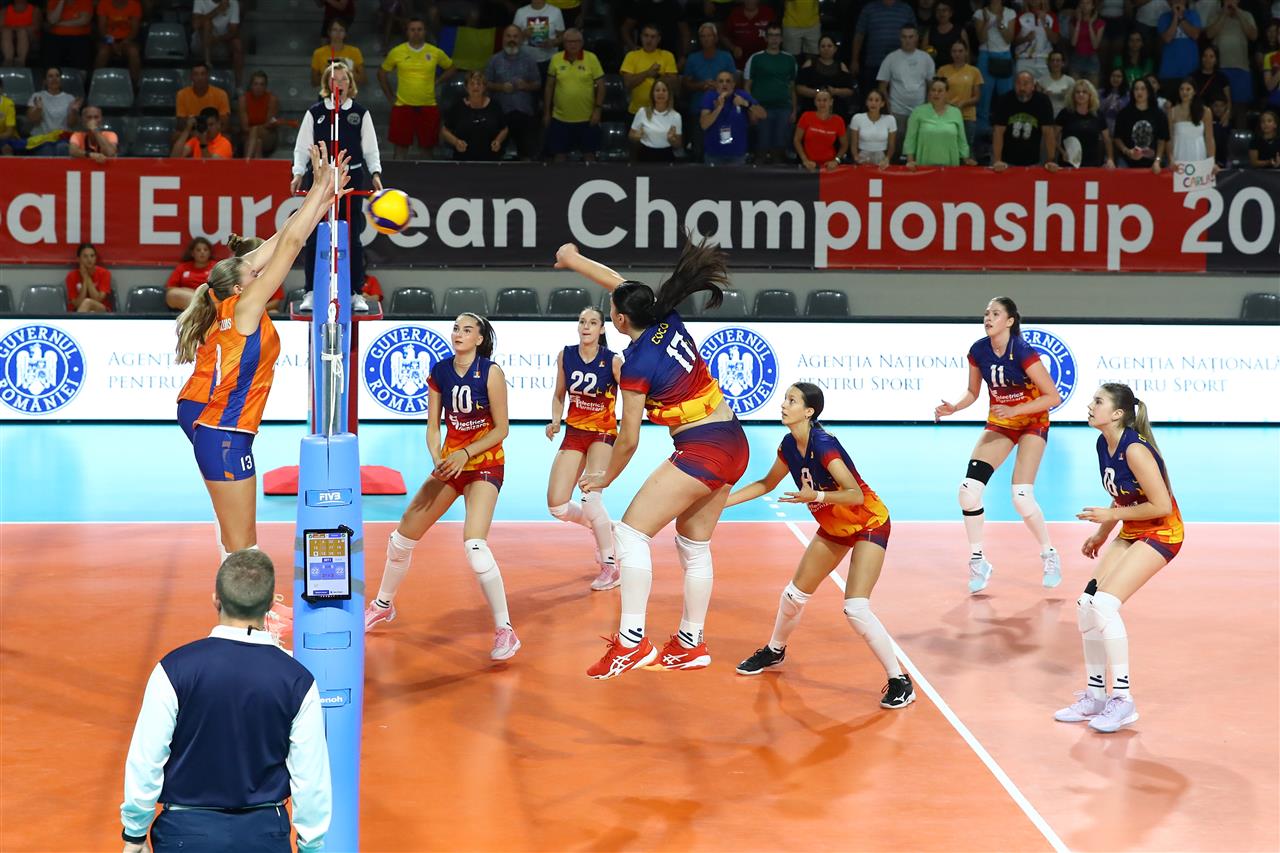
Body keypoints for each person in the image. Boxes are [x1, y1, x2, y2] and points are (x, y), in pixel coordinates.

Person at [554, 237, 749, 680]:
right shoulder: (665, 317)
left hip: (703, 448)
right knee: (693, 545)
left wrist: (603, 477)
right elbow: (619, 283)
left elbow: (628, 439)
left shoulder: (636, 365)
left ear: (620, 321)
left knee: (630, 533)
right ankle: (691, 644)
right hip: (734, 440)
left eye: (611, 309)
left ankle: (631, 643)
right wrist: (574, 260)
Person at [173, 146, 348, 566]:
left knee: (232, 531)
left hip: (204, 410)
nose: (260, 272)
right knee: (244, 545)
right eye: (254, 273)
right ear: (241, 288)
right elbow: (291, 244)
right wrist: (318, 186)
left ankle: (234, 586)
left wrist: (322, 198)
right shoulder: (246, 306)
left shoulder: (224, 294)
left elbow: (278, 240)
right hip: (223, 427)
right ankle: (244, 599)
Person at [120, 550, 331, 852]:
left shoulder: (173, 669)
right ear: (271, 604)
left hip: (184, 834)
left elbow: (147, 759)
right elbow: (311, 777)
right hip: (264, 835)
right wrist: (312, 846)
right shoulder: (298, 680)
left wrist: (135, 834)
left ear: (215, 599)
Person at [726, 383, 913, 709]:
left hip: (868, 522)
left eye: (792, 401)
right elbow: (766, 483)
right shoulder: (788, 444)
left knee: (856, 608)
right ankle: (775, 650)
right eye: (785, 399)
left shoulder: (824, 444)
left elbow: (854, 494)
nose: (784, 405)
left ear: (809, 411)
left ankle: (900, 680)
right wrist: (722, 504)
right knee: (793, 595)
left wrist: (816, 496)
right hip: (834, 527)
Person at [364, 313, 521, 662]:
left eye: (467, 330)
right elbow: (433, 427)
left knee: (475, 546)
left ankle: (505, 629)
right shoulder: (440, 371)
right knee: (401, 538)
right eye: (456, 328)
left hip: (484, 464)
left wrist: (466, 453)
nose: (458, 334)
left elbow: (502, 429)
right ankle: (383, 605)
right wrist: (438, 457)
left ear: (480, 338)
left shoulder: (490, 372)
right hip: (451, 465)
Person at [1054, 384, 1184, 733]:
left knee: (1104, 605)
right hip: (1133, 530)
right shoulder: (1104, 443)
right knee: (1086, 605)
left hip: (1162, 532)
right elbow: (1123, 495)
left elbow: (1161, 505)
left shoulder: (1135, 450)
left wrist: (1110, 517)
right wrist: (1102, 532)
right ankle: (1096, 696)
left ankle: (1123, 701)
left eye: (1098, 401)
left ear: (1117, 413)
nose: (1090, 405)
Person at [933, 296, 1063, 594]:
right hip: (1001, 424)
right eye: (986, 314)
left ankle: (1049, 554)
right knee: (968, 491)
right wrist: (955, 407)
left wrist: (1017, 410)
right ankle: (978, 560)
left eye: (995, 314)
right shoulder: (978, 350)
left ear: (1010, 321)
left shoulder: (1023, 351)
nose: (988, 318)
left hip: (1032, 423)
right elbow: (972, 391)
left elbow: (1052, 396)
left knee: (1021, 496)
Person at [293, 60, 382, 313]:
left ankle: (355, 292)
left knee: (352, 236)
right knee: (315, 234)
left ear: (350, 84)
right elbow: (302, 147)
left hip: (351, 178)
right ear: (326, 84)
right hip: (320, 178)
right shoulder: (316, 112)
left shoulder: (360, 113)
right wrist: (298, 173)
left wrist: (376, 173)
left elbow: (370, 149)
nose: (339, 83)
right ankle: (311, 291)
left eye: (344, 79)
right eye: (335, 79)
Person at [545, 306, 623, 590]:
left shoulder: (613, 361)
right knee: (557, 506)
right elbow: (559, 395)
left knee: (591, 498)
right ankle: (602, 525)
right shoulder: (566, 355)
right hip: (574, 432)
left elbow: (632, 397)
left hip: (602, 433)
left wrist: (629, 431)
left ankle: (610, 565)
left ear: (602, 329)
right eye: (582, 321)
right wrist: (555, 420)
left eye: (592, 322)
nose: (586, 326)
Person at [379, 17, 455, 160]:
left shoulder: (435, 52)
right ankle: (397, 175)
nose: (416, 32)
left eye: (419, 29)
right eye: (412, 29)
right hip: (402, 105)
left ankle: (426, 176)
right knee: (400, 150)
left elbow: (451, 67)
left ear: (425, 31)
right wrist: (390, 97)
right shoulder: (397, 51)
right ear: (407, 32)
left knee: (427, 150)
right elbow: (381, 73)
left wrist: (438, 81)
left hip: (428, 105)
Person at [543, 29, 605, 161]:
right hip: (560, 119)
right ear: (564, 43)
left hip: (587, 118)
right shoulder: (556, 59)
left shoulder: (591, 58)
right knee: (559, 156)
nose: (573, 44)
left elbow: (601, 86)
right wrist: (547, 112)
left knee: (589, 156)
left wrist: (598, 110)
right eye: (569, 41)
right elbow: (549, 86)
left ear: (582, 43)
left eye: (576, 41)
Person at [877, 24, 934, 162]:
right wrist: (889, 110)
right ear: (900, 38)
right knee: (895, 151)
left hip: (919, 112)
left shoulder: (926, 58)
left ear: (917, 38)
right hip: (897, 112)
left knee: (918, 150)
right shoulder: (891, 58)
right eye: (904, 37)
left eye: (911, 37)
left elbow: (931, 87)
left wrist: (927, 109)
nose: (908, 40)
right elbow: (882, 87)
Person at [485, 26, 542, 160]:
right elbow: (486, 83)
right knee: (495, 154)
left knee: (527, 155)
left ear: (521, 39)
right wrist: (501, 87)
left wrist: (526, 86)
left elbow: (538, 83)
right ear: (503, 38)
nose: (512, 40)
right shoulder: (494, 60)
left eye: (515, 36)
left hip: (524, 113)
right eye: (508, 36)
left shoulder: (529, 60)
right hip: (500, 114)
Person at [744, 23, 797, 164]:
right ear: (766, 38)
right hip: (762, 108)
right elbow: (747, 86)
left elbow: (792, 87)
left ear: (782, 38)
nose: (774, 39)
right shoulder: (755, 58)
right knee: (761, 147)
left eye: (777, 35)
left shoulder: (790, 59)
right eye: (771, 35)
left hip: (783, 108)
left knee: (779, 149)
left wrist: (794, 110)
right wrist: (751, 109)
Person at [991, 70, 1059, 170]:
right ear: (1014, 85)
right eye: (1018, 84)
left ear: (1033, 86)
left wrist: (1050, 160)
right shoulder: (1004, 100)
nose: (1022, 88)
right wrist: (997, 160)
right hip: (1006, 162)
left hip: (1034, 161)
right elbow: (998, 132)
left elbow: (1048, 132)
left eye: (1026, 84)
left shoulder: (1043, 101)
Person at [700, 68, 765, 165]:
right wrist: (718, 108)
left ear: (733, 84)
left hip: (737, 154)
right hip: (714, 154)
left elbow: (763, 114)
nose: (724, 84)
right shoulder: (710, 97)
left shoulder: (741, 95)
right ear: (716, 84)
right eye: (721, 81)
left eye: (728, 81)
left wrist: (745, 103)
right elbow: (704, 125)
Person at [851, 0, 917, 96]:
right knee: (873, 99)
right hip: (874, 64)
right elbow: (859, 35)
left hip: (901, 65)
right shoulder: (869, 9)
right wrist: (854, 60)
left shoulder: (906, 9)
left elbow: (914, 35)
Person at [1205, 0, 1256, 122]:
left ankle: (1241, 134)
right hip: (1220, 68)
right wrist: (1224, 15)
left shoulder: (1247, 15)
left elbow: (1253, 35)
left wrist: (1238, 13)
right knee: (1219, 107)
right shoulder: (1215, 14)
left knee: (1240, 108)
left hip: (1241, 68)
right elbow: (1209, 34)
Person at [904, 76, 972, 167]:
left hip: (950, 166)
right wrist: (910, 161)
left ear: (947, 93)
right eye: (933, 90)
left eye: (940, 91)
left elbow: (962, 140)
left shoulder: (956, 112)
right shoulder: (918, 111)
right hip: (924, 166)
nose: (936, 93)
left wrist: (966, 159)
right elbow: (910, 139)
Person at [443, 69, 509, 161]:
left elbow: (504, 129)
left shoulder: (495, 106)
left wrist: (498, 141)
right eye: (472, 84)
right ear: (466, 87)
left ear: (484, 87)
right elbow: (445, 130)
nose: (475, 87)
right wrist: (456, 142)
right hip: (463, 160)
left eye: (479, 84)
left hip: (490, 159)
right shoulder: (458, 106)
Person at [972, 0, 1017, 131]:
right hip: (986, 55)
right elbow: (981, 39)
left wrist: (999, 23)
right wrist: (986, 23)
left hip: (1004, 55)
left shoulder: (1010, 13)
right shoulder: (980, 13)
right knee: (984, 97)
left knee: (1006, 96)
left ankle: (1006, 129)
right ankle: (982, 131)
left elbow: (1009, 39)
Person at [620, 23, 678, 116]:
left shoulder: (667, 56)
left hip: (662, 113)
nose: (649, 40)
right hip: (637, 112)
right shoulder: (631, 56)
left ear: (658, 39)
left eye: (653, 37)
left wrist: (657, 75)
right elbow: (628, 84)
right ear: (641, 37)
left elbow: (674, 84)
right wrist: (647, 73)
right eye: (646, 36)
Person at [1112, 77, 1168, 171]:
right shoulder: (1123, 113)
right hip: (1127, 162)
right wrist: (1127, 151)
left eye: (1143, 89)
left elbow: (1161, 140)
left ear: (1149, 92)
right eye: (1136, 89)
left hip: (1152, 163)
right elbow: (1117, 137)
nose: (1139, 92)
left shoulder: (1159, 114)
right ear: (1132, 92)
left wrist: (1157, 160)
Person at [1056, 79, 1115, 167]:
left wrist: (1110, 158)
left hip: (1092, 165)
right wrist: (1062, 152)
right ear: (1073, 95)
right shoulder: (1065, 113)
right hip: (1068, 164)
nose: (1081, 94)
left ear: (1090, 95)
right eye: (1077, 92)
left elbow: (1107, 139)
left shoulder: (1098, 114)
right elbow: (1052, 137)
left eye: (1084, 92)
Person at [796, 34, 855, 117]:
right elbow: (799, 88)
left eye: (829, 46)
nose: (826, 49)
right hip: (811, 108)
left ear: (835, 49)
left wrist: (835, 91)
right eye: (823, 46)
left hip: (836, 109)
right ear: (818, 49)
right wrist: (816, 93)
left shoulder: (842, 66)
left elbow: (850, 90)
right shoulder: (810, 64)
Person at [938, 40, 982, 148]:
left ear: (966, 52)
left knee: (966, 148)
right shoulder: (943, 70)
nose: (957, 54)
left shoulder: (974, 71)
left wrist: (963, 103)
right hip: (946, 115)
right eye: (954, 51)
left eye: (960, 51)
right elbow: (937, 92)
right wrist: (948, 105)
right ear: (951, 53)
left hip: (967, 117)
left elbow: (977, 97)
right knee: (947, 146)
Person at [25, 66, 78, 155]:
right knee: (47, 150)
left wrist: (74, 111)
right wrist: (38, 109)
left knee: (62, 148)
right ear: (45, 81)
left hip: (63, 139)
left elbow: (71, 124)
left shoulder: (70, 98)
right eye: (50, 76)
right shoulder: (37, 96)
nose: (54, 79)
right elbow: (33, 120)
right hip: (42, 139)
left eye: (57, 76)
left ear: (61, 79)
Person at [629, 78, 681, 161]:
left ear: (669, 94)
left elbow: (678, 144)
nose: (661, 93)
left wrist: (672, 140)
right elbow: (631, 135)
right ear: (652, 94)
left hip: (666, 155)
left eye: (664, 90)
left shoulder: (676, 116)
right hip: (645, 154)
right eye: (657, 90)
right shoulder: (642, 112)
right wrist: (636, 137)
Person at [794, 88, 847, 170]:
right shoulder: (806, 116)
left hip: (829, 166)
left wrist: (836, 160)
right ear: (815, 102)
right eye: (819, 100)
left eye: (825, 100)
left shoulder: (838, 120)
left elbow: (844, 144)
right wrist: (805, 160)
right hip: (809, 165)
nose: (822, 103)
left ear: (831, 102)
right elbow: (797, 140)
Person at [1157, 1, 1203, 95]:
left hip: (1191, 72)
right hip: (1169, 73)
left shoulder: (1193, 15)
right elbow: (1168, 38)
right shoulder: (1164, 17)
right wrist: (1175, 16)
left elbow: (1195, 35)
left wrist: (1181, 17)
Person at [1168, 77, 1214, 164]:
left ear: (1194, 91)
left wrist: (1212, 160)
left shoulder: (1205, 111)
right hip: (1179, 156)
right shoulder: (1172, 112)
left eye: (1188, 89)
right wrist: (1171, 158)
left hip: (1199, 154)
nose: (1184, 92)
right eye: (1181, 89)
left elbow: (1209, 138)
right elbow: (1170, 139)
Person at [513, 0, 565, 74]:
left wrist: (553, 42)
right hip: (525, 60)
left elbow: (562, 37)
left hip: (549, 60)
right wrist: (523, 34)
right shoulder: (520, 12)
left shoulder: (556, 11)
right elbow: (512, 38)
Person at [176, 61, 231, 129]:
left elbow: (225, 123)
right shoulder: (182, 94)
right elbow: (181, 123)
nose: (200, 78)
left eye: (203, 74)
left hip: (213, 131)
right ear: (191, 77)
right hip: (191, 131)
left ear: (208, 76)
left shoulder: (221, 94)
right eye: (196, 74)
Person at [166, 237, 216, 310]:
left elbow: (223, 286)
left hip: (209, 298)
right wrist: (191, 292)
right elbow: (170, 288)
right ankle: (200, 308)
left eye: (205, 250)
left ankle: (201, 308)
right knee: (171, 294)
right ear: (192, 253)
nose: (202, 252)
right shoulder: (183, 267)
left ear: (209, 252)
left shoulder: (217, 266)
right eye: (198, 250)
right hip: (187, 298)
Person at [1013, 0, 1059, 81]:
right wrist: (1026, 38)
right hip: (1024, 60)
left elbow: (1055, 40)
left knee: (1044, 88)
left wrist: (1044, 23)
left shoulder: (1051, 16)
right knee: (1023, 87)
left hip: (1044, 60)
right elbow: (1013, 42)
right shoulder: (1020, 16)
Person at [723, 0, 775, 70]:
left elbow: (776, 35)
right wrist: (733, 48)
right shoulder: (735, 13)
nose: (750, 1)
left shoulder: (768, 12)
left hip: (764, 62)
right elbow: (724, 36)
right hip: (740, 64)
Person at [239, 70, 280, 160]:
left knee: (255, 131)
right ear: (251, 86)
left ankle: (247, 160)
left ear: (266, 86)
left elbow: (269, 124)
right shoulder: (243, 99)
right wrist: (254, 133)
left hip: (268, 135)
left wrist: (256, 130)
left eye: (262, 84)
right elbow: (244, 127)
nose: (258, 87)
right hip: (247, 135)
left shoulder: (272, 99)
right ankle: (257, 165)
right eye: (256, 84)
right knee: (257, 142)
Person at [849, 87, 895, 165]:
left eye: (877, 100)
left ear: (882, 103)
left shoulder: (890, 119)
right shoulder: (857, 118)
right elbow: (853, 144)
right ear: (866, 102)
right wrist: (856, 157)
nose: (873, 103)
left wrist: (887, 158)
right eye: (870, 100)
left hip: (882, 158)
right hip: (862, 157)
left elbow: (891, 145)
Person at [311, 19, 363, 88]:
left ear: (345, 33)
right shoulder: (318, 53)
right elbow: (314, 82)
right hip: (327, 91)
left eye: (341, 30)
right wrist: (328, 72)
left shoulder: (355, 52)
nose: (338, 33)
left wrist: (348, 70)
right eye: (334, 30)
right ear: (329, 32)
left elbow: (363, 80)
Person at [43, 0, 93, 71]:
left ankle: (80, 75)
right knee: (49, 44)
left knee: (81, 45)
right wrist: (61, 2)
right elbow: (52, 20)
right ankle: (52, 74)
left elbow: (84, 20)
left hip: (79, 37)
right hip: (56, 37)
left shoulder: (85, 1)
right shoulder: (53, 1)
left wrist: (59, 23)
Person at [64, 242, 112, 312]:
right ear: (78, 259)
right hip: (79, 310)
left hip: (100, 309)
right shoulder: (71, 276)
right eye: (85, 256)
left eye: (92, 256)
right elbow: (77, 304)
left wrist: (87, 277)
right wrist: (84, 281)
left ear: (96, 258)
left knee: (87, 302)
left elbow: (98, 299)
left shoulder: (105, 273)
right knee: (86, 304)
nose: (89, 259)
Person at [923, 1, 969, 71]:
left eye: (944, 10)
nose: (941, 13)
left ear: (951, 13)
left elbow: (967, 54)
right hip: (935, 70)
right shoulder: (930, 31)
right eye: (938, 10)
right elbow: (923, 53)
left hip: (956, 71)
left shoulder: (960, 31)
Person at [1067, 0, 1105, 84]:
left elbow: (1095, 45)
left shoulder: (1100, 23)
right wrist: (1078, 22)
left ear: (1092, 6)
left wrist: (1090, 24)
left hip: (1092, 59)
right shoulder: (1073, 22)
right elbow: (1073, 42)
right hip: (1076, 58)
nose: (1085, 6)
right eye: (1082, 3)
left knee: (1093, 90)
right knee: (1075, 88)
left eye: (1088, 3)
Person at [1189, 45, 1230, 116]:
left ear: (1216, 60)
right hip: (1198, 115)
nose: (1207, 59)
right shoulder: (1193, 77)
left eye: (1211, 56)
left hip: (1218, 116)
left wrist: (1227, 114)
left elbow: (1228, 99)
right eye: (1205, 56)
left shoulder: (1222, 77)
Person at [1, 0, 41, 67]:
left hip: (29, 37)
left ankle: (21, 61)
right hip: (9, 36)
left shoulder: (34, 10)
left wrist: (17, 28)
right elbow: (1, 27)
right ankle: (8, 60)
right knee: (6, 32)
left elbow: (36, 27)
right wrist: (16, 29)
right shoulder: (5, 10)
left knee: (22, 32)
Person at [1039, 50, 1076, 116]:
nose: (1055, 63)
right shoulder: (1041, 81)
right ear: (1049, 63)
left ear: (1063, 63)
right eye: (1052, 60)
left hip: (1065, 115)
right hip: (1047, 114)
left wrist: (1067, 95)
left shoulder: (1070, 81)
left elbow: (1074, 101)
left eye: (1058, 60)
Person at [1098, 68, 1129, 134]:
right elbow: (1098, 111)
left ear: (1123, 79)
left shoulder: (1128, 95)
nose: (1115, 79)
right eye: (1113, 76)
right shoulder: (1100, 93)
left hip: (1120, 127)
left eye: (1118, 76)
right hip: (1102, 127)